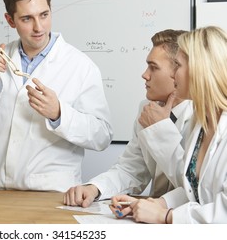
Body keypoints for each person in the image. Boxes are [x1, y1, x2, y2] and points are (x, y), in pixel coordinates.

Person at [0, 0, 113, 192]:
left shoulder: (81, 66)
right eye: (27, 19)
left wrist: (59, 114)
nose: (38, 27)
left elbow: (102, 136)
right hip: (2, 190)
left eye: (44, 15)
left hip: (55, 192)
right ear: (10, 20)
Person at [111, 26, 227, 224]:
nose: (173, 76)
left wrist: (166, 216)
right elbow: (195, 188)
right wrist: (159, 204)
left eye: (178, 66)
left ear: (199, 70)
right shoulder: (202, 124)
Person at [63, 29, 193, 207]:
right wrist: (94, 188)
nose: (145, 75)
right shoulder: (147, 110)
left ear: (178, 71)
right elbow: (131, 169)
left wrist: (161, 129)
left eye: (153, 67)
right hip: (153, 216)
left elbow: (193, 186)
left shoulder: (205, 117)